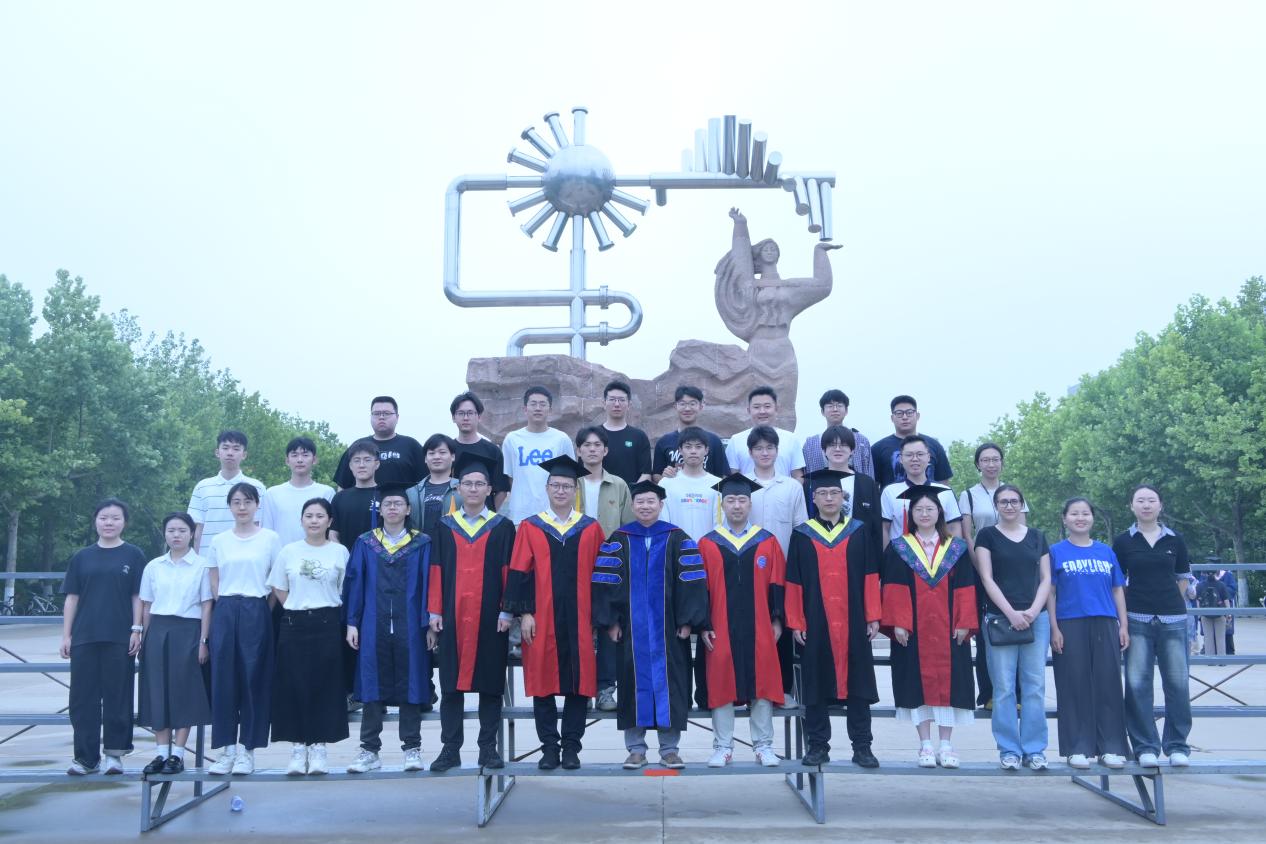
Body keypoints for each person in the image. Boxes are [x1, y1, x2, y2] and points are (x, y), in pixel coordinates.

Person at [592, 481, 709, 769]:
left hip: (669, 631)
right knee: (632, 686)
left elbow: (692, 582)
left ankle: (670, 750)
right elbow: (605, 583)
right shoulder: (619, 539)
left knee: (671, 686)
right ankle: (636, 750)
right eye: (640, 502)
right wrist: (611, 622)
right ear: (632, 506)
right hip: (631, 631)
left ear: (660, 505)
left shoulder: (677, 538)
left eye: (651, 501)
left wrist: (687, 621)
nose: (645, 506)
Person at [503, 455, 605, 770]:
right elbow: (519, 573)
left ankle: (571, 748)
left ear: (575, 490)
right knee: (542, 683)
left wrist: (598, 618)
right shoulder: (530, 526)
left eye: (566, 486)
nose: (561, 491)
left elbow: (601, 577)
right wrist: (525, 614)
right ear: (547, 488)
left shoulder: (590, 528)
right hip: (542, 618)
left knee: (580, 684)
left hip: (580, 619)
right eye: (555, 485)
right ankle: (549, 748)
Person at [785, 470, 882, 768]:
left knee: (858, 683)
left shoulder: (859, 531)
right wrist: (796, 620)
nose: (829, 498)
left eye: (834, 493)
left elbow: (870, 575)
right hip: (815, 621)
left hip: (854, 620)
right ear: (813, 499)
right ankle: (818, 746)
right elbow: (793, 581)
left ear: (843, 498)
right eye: (823, 494)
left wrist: (873, 615)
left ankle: (862, 747)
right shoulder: (802, 534)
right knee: (815, 684)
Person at [426, 456, 516, 772]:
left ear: (490, 489)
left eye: (480, 484)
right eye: (468, 483)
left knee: (491, 685)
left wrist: (507, 611)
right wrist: (434, 610)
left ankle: (487, 748)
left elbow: (509, 572)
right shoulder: (444, 526)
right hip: (452, 616)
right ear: (458, 488)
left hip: (491, 618)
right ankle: (450, 749)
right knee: (451, 685)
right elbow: (436, 570)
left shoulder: (503, 527)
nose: (474, 488)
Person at [880, 486, 977, 769]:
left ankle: (946, 745)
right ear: (911, 514)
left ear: (940, 513)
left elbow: (966, 587)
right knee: (915, 685)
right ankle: (924, 744)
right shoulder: (899, 548)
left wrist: (964, 621)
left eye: (930, 509)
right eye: (919, 509)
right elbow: (893, 586)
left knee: (951, 684)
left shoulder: (956, 548)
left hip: (949, 629)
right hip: (913, 630)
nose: (924, 514)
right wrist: (899, 622)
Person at [697, 474, 787, 768]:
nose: (736, 506)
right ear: (722, 504)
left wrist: (777, 619)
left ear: (750, 504)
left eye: (742, 500)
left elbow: (777, 583)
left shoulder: (767, 541)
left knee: (762, 681)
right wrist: (704, 624)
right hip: (720, 625)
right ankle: (723, 747)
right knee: (721, 680)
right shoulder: (707, 543)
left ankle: (763, 746)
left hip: (759, 625)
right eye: (731, 500)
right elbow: (700, 589)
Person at [344, 485, 433, 773]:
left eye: (398, 503)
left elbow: (430, 585)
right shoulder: (365, 543)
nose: (393, 508)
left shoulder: (422, 543)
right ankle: (369, 751)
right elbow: (355, 583)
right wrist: (352, 622)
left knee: (411, 682)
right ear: (380, 510)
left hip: (412, 624)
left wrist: (430, 623)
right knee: (372, 682)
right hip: (373, 623)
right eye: (387, 504)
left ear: (408, 509)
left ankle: (412, 749)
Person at [61, 499, 146, 776]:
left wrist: (137, 629)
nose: (109, 523)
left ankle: (114, 754)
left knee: (117, 695)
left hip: (120, 636)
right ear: (95, 520)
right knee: (82, 698)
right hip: (84, 636)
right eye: (104, 517)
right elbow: (72, 598)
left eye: (115, 518)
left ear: (124, 522)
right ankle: (86, 758)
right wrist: (66, 635)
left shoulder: (134, 555)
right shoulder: (81, 557)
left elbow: (138, 596)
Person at [267, 498, 350, 776]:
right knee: (293, 685)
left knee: (325, 686)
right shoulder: (289, 551)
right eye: (309, 516)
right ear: (301, 520)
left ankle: (319, 748)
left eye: (320, 516)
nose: (314, 521)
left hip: (328, 623)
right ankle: (297, 748)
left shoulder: (339, 552)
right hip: (294, 623)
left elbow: (345, 589)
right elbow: (279, 587)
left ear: (330, 521)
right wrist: (297, 606)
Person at [1113, 485, 1193, 767]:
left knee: (1178, 683)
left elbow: (1183, 577)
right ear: (1131, 506)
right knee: (1137, 684)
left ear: (1160, 505)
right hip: (1137, 618)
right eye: (1140, 500)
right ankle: (1145, 746)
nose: (1146, 505)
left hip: (1173, 620)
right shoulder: (1123, 541)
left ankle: (1177, 746)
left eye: (1151, 500)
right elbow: (1117, 583)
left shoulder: (1175, 539)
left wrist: (1169, 600)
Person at [206, 483, 283, 775]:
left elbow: (276, 581)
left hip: (256, 608)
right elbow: (214, 578)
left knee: (253, 679)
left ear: (256, 505)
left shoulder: (270, 538)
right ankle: (226, 750)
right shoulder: (220, 540)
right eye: (236, 502)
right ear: (229, 506)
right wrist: (224, 604)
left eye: (247, 501)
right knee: (223, 679)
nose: (242, 507)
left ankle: (246, 751)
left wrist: (262, 609)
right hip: (226, 609)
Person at [1047, 497, 1129, 769]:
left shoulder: (1106, 552)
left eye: (1085, 513)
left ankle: (1111, 747)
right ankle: (1077, 747)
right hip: (1070, 623)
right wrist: (1054, 627)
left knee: (1108, 684)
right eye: (1074, 514)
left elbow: (1117, 590)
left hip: (1105, 622)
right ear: (1065, 519)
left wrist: (1123, 625)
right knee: (1073, 685)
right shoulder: (1056, 552)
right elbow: (1050, 592)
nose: (1080, 518)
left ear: (1092, 518)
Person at [974, 484, 1052, 770]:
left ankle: (1034, 749)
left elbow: (1046, 579)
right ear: (996, 506)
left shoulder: (1037, 537)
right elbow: (987, 578)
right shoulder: (987, 535)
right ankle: (1009, 749)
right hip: (1000, 618)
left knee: (1034, 686)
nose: (1009, 506)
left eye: (1014, 501)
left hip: (1036, 619)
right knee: (1004, 687)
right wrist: (1010, 613)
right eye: (1004, 502)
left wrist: (1032, 611)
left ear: (1022, 505)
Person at [137, 513, 213, 776]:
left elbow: (207, 606)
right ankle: (161, 752)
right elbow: (146, 605)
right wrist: (144, 637)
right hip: (158, 630)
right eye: (171, 530)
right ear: (164, 534)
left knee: (184, 691)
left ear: (191, 534)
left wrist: (203, 641)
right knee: (157, 690)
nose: (176, 535)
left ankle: (177, 754)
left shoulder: (202, 566)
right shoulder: (154, 566)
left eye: (182, 530)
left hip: (189, 630)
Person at [958, 442, 1026, 708]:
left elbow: (1023, 530)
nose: (990, 464)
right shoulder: (969, 495)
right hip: (980, 568)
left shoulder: (1012, 492)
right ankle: (988, 693)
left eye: (995, 459)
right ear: (978, 464)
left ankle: (1016, 693)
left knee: (1015, 625)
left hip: (1011, 569)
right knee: (985, 631)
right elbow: (967, 535)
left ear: (1002, 462)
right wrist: (981, 567)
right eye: (985, 460)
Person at [574, 425, 634, 713]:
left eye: (597, 444)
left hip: (610, 568)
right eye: (587, 445)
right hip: (575, 565)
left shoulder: (618, 485)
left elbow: (627, 527)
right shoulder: (569, 483)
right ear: (578, 450)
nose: (592, 449)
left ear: (606, 450)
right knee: (580, 627)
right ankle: (581, 687)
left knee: (609, 625)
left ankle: (605, 689)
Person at [501, 386, 576, 525]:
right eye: (533, 404)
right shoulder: (512, 439)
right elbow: (510, 477)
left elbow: (570, 477)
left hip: (554, 517)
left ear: (550, 410)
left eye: (542, 404)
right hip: (520, 516)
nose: (538, 408)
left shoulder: (561, 439)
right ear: (525, 409)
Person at [807, 425, 882, 554]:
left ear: (852, 450)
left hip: (860, 551)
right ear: (824, 450)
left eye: (843, 445)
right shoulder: (812, 482)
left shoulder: (867, 483)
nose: (838, 449)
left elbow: (876, 524)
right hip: (822, 552)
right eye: (832, 445)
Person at [188, 430, 266, 553]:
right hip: (208, 557)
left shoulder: (257, 487)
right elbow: (198, 530)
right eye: (225, 448)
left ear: (244, 454)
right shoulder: (202, 487)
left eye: (236, 449)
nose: (230, 453)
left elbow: (258, 524)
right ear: (217, 452)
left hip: (245, 556)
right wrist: (198, 560)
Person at [879, 435, 962, 547]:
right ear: (901, 459)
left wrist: (955, 554)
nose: (915, 459)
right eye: (909, 455)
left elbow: (954, 527)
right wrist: (887, 555)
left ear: (928, 457)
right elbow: (884, 528)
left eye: (920, 454)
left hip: (939, 555)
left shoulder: (945, 491)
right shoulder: (889, 492)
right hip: (900, 554)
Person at [332, 396, 427, 489]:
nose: (381, 417)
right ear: (371, 416)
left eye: (386, 413)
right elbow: (343, 485)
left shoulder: (411, 445)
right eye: (376, 413)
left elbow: (427, 481)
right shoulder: (358, 446)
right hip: (362, 500)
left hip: (402, 499)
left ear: (397, 417)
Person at [259, 436, 335, 546]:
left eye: (305, 455)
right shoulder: (272, 493)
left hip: (318, 554)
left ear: (314, 460)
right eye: (294, 455)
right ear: (287, 460)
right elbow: (266, 532)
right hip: (281, 555)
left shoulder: (327, 493)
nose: (300, 460)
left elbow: (331, 532)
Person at [870, 396, 953, 488]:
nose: (905, 417)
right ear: (892, 418)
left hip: (929, 496)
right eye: (899, 413)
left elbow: (943, 481)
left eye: (909, 413)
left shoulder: (934, 445)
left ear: (917, 416)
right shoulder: (877, 449)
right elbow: (873, 485)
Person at [725, 386, 805, 480]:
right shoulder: (736, 440)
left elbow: (798, 476)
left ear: (776, 409)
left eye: (767, 406)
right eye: (756, 407)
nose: (762, 411)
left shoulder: (791, 439)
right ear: (748, 410)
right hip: (748, 490)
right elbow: (732, 476)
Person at [652, 385, 731, 481]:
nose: (687, 409)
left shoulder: (714, 441)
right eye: (682, 404)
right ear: (675, 406)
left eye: (692, 404)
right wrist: (665, 477)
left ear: (701, 406)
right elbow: (656, 475)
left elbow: (724, 475)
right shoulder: (664, 442)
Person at [660, 426, 722, 541]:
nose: (693, 451)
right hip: (676, 548)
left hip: (708, 548)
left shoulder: (718, 484)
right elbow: (663, 522)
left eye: (698, 447)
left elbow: (719, 524)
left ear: (706, 450)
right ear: (680, 450)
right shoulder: (666, 484)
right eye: (688, 447)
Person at [450, 391, 509, 510]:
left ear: (479, 417)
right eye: (461, 413)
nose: (466, 418)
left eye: (470, 413)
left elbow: (501, 490)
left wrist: (490, 514)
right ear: (453, 417)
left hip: (484, 517)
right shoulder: (447, 450)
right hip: (451, 515)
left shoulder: (493, 451)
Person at [800, 389, 874, 479]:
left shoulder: (861, 441)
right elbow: (807, 477)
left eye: (839, 405)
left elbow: (869, 472)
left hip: (856, 486)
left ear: (846, 410)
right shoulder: (811, 444)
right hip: (821, 486)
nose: (835, 409)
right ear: (822, 411)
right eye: (830, 406)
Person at [406, 433, 460, 545]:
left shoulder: (462, 488)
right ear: (425, 459)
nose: (436, 457)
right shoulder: (411, 492)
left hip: (452, 548)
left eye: (442, 452)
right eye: (431, 453)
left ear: (453, 456)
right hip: (420, 548)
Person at [329, 439, 380, 552]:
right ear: (350, 466)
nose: (361, 465)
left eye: (367, 460)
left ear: (376, 464)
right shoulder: (339, 498)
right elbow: (332, 534)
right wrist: (344, 556)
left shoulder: (385, 496)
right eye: (357, 460)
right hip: (346, 559)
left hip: (378, 559)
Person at [599, 380, 652, 486]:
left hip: (631, 495)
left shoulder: (639, 436)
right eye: (612, 399)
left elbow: (646, 474)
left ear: (629, 405)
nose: (617, 404)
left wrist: (631, 494)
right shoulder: (594, 436)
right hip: (598, 494)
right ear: (604, 403)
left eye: (622, 400)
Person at [1195, 571, 1232, 658]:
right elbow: (1226, 601)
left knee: (1208, 638)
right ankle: (1221, 660)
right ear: (1216, 573)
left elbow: (1198, 601)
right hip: (1220, 614)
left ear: (1205, 573)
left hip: (1205, 614)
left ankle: (1210, 660)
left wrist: (1200, 615)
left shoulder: (1200, 585)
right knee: (1220, 638)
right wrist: (1229, 615)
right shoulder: (1221, 585)